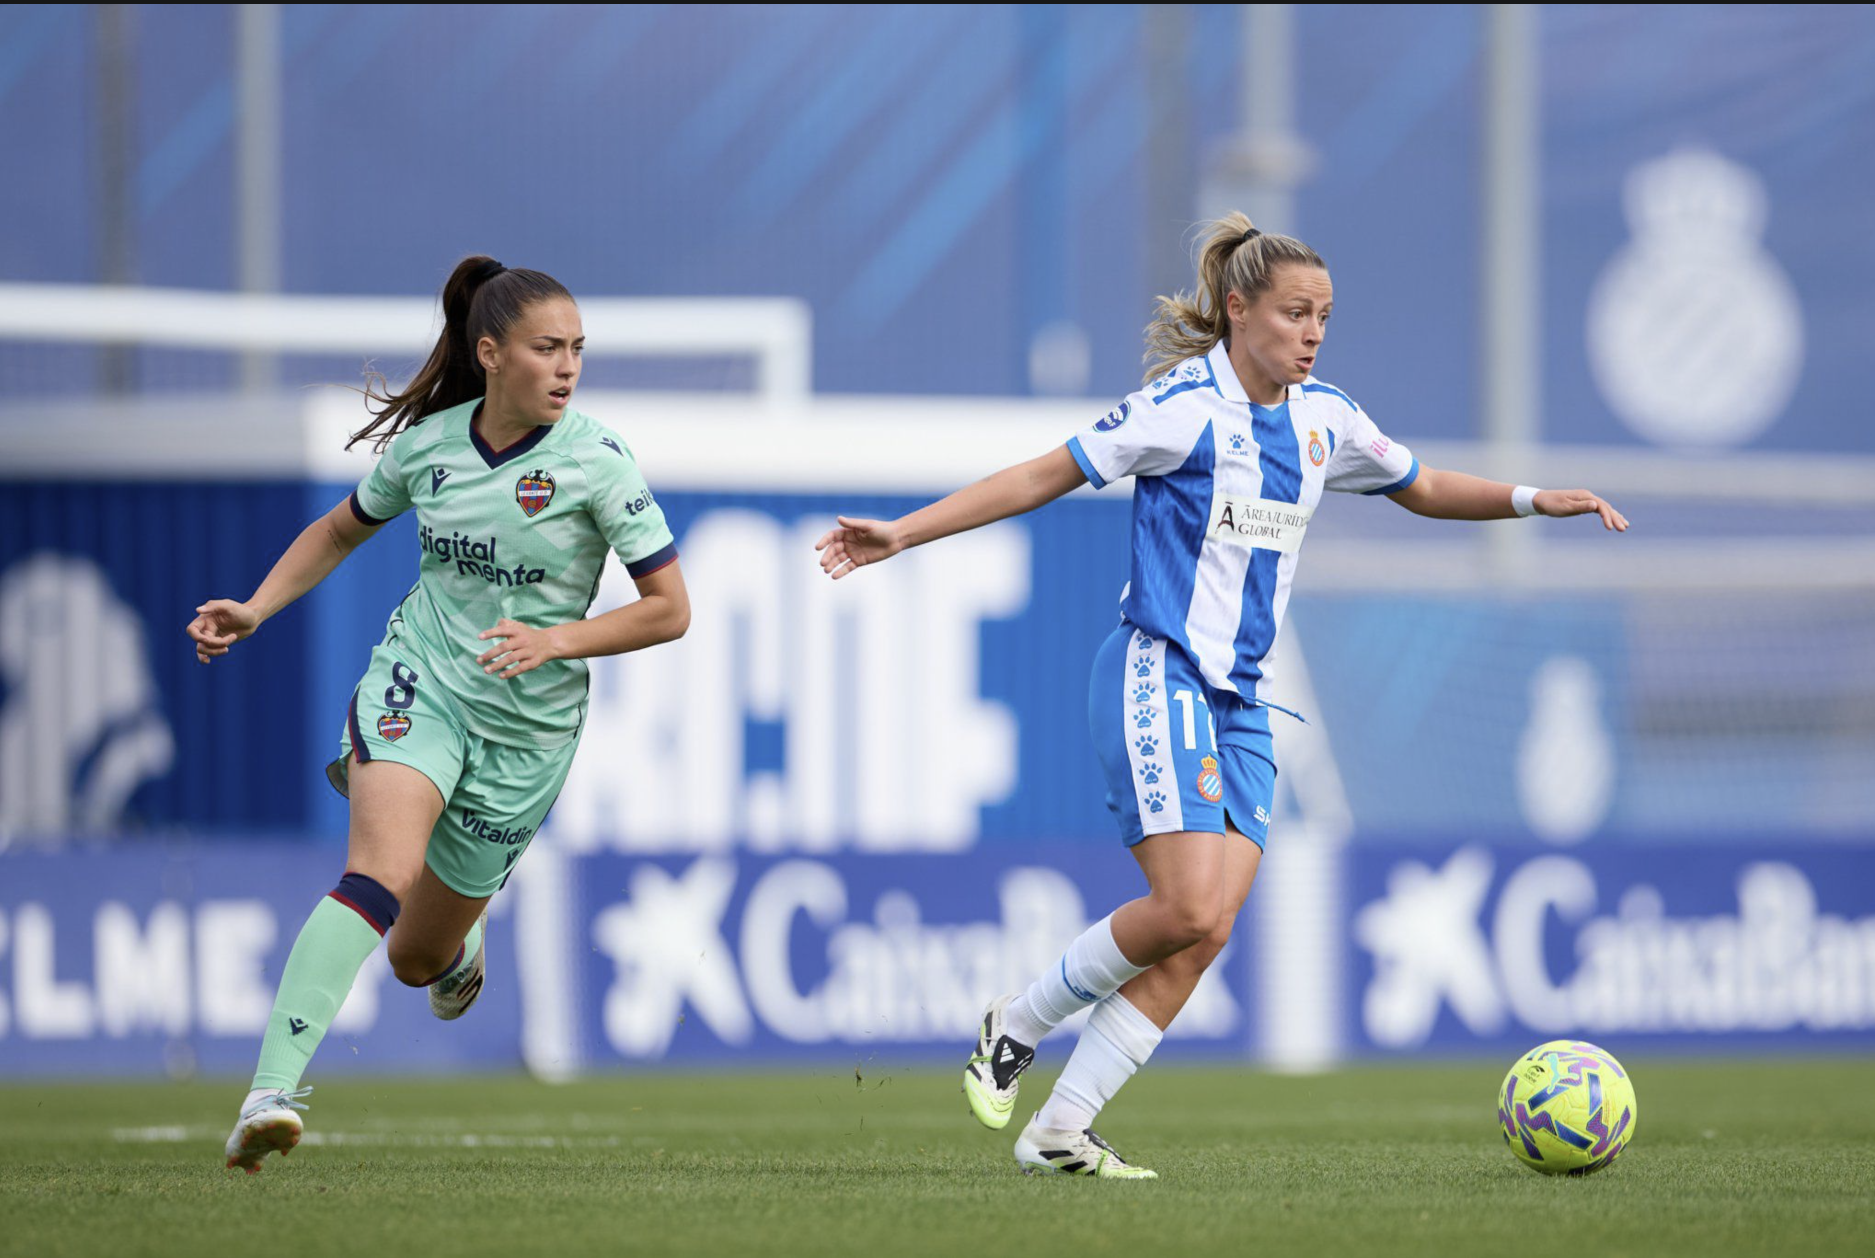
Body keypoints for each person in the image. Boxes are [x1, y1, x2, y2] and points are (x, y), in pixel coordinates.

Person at [815, 214, 1627, 1179]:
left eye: (1323, 317)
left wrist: (1535, 499)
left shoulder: (1326, 419)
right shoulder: (1181, 407)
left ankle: (1060, 1129)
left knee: (1206, 931)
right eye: (1294, 314)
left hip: (1244, 700)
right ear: (1238, 311)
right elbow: (1042, 474)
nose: (1312, 334)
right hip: (1160, 671)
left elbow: (1421, 483)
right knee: (1186, 904)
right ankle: (1016, 1023)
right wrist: (903, 533)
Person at [188, 256, 689, 1174]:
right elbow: (338, 530)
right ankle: (269, 1095)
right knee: (377, 874)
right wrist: (256, 608)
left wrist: (556, 640)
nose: (567, 368)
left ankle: (457, 946)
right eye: (547, 348)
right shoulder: (429, 449)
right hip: (420, 682)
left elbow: (669, 610)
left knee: (415, 960)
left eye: (578, 349)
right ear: (489, 353)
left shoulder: (598, 462)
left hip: (527, 733)